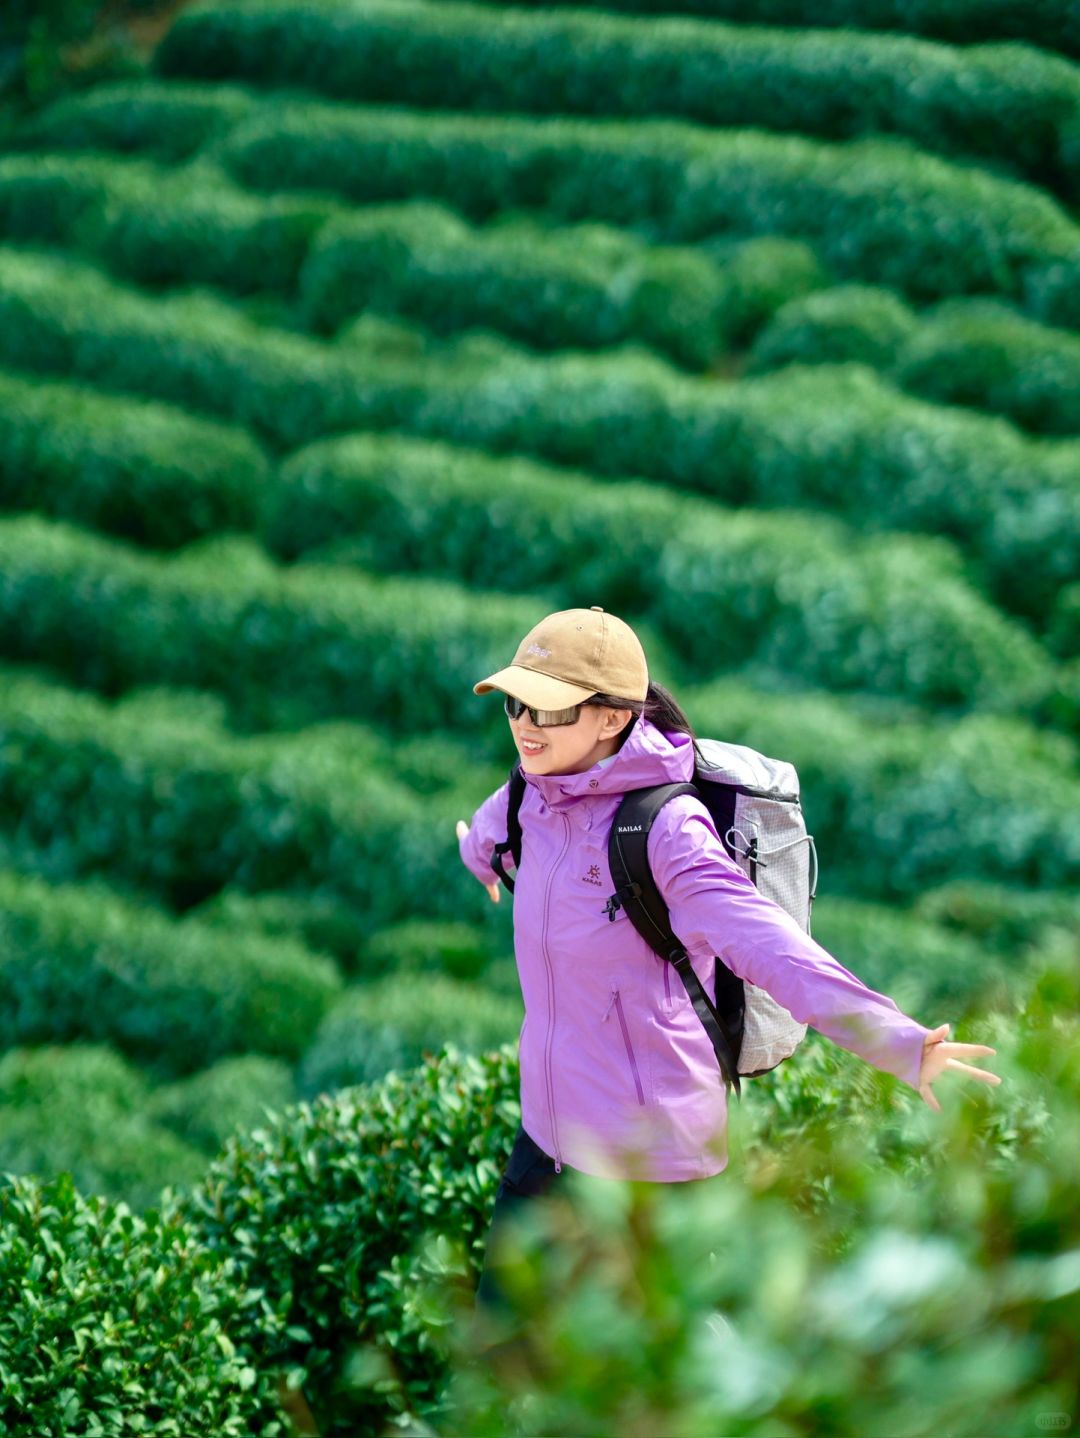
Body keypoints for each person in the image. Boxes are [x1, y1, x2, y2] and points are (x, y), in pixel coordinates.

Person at [456, 606, 1002, 1315]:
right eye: (517, 705)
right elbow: (495, 827)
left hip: (648, 1168)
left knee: (643, 1399)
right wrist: (481, 857)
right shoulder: (535, 788)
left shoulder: (665, 830)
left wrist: (900, 1044)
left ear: (612, 718)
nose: (526, 725)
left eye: (550, 711)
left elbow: (771, 947)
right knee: (500, 1361)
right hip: (548, 1142)